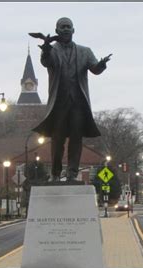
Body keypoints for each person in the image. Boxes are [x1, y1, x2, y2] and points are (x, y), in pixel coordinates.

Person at [32, 17, 112, 182]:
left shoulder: (85, 51)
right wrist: (46, 48)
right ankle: (55, 174)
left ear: (74, 30)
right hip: (59, 104)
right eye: (63, 27)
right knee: (57, 140)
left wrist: (102, 64)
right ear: (57, 31)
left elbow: (95, 69)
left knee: (76, 139)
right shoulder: (52, 50)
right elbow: (46, 62)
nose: (66, 29)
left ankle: (72, 174)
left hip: (78, 104)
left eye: (69, 27)